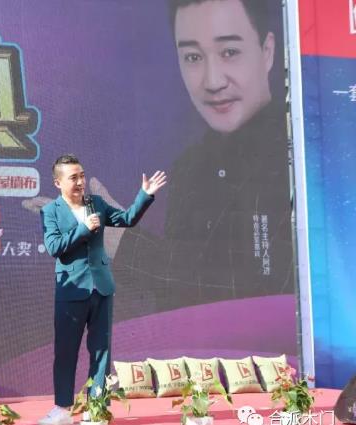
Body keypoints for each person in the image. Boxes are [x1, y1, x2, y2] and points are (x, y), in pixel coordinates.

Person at [109, 0, 294, 314]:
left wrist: (121, 243)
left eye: (229, 52)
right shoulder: (189, 167)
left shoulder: (297, 153)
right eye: (193, 57)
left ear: (267, 51)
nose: (213, 81)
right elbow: (178, 306)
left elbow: (258, 296)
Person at [37, 154, 166, 425]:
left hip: (102, 287)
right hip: (71, 290)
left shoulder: (95, 203)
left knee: (101, 351)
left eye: (82, 176)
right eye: (73, 177)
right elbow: (54, 247)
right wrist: (84, 229)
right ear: (58, 182)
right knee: (66, 351)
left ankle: (97, 407)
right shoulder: (50, 211)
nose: (80, 182)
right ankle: (62, 408)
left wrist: (144, 195)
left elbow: (127, 219)